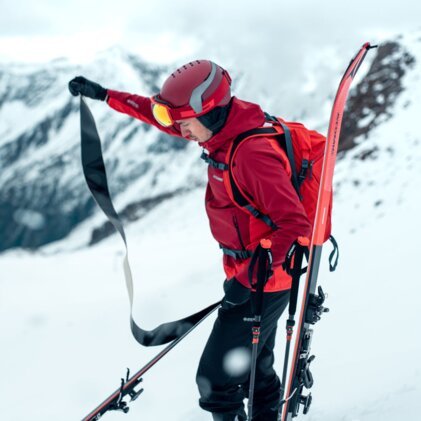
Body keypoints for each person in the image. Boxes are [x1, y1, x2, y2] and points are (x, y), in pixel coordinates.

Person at [69, 60, 311, 421]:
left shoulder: (251, 154)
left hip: (264, 279)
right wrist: (105, 96)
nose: (177, 128)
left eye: (182, 120)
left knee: (214, 381)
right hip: (249, 272)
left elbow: (293, 222)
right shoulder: (219, 130)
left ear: (210, 112)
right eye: (174, 121)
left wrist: (246, 281)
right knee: (255, 366)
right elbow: (155, 115)